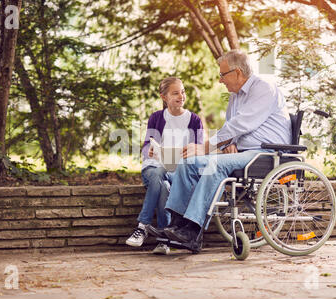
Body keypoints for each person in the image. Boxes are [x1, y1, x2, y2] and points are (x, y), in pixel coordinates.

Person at [162, 50, 292, 245]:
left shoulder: (264, 88)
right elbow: (230, 128)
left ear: (237, 72)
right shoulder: (235, 96)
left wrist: (205, 147)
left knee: (214, 164)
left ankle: (192, 231)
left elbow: (240, 124)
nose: (220, 80)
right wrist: (230, 143)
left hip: (267, 152)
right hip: (245, 152)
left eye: (222, 75)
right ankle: (176, 226)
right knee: (189, 161)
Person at [125, 77, 204, 254]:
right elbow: (147, 145)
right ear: (164, 97)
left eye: (183, 91)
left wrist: (190, 152)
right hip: (154, 167)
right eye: (175, 93)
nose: (181, 96)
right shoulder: (156, 118)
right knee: (158, 173)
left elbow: (199, 150)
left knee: (165, 187)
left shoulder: (194, 120)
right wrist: (149, 151)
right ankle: (154, 232)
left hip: (178, 172)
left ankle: (148, 231)